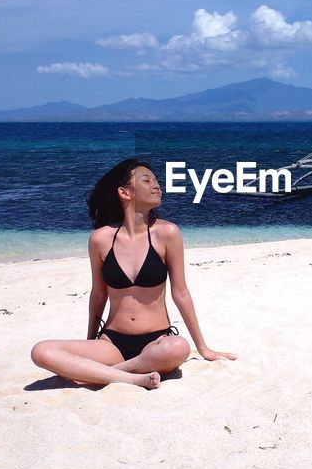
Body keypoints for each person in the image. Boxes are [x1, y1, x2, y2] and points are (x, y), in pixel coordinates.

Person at [30, 158, 235, 389]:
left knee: (179, 347)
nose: (157, 185)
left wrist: (204, 348)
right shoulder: (100, 239)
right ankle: (131, 377)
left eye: (157, 181)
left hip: (155, 343)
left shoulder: (167, 233)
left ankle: (107, 374)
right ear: (124, 192)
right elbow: (98, 295)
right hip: (112, 343)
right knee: (41, 351)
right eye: (147, 180)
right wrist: (90, 342)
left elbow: (181, 293)